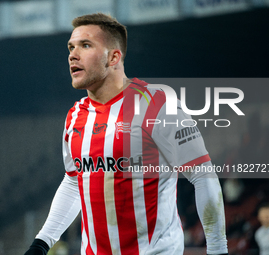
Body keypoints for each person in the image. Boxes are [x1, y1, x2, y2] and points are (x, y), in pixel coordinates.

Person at [24, 13, 228, 255]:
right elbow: (74, 182)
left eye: (85, 45)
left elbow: (202, 175)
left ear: (113, 57)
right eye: (71, 46)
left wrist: (218, 250)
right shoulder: (75, 116)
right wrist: (42, 242)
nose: (72, 54)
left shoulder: (158, 104)